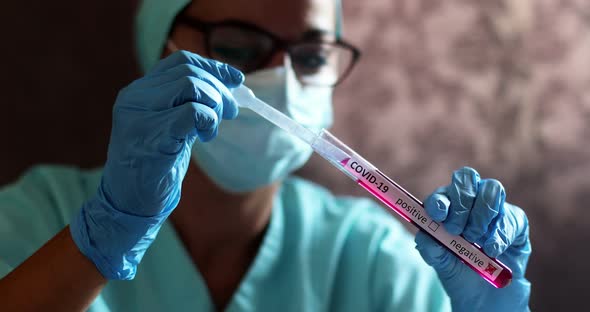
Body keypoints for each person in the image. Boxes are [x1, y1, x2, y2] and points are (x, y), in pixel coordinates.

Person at [0, 0, 531, 311]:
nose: (281, 77)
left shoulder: (369, 257)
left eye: (311, 55)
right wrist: (101, 237)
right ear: (160, 44)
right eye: (236, 44)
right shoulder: (38, 216)